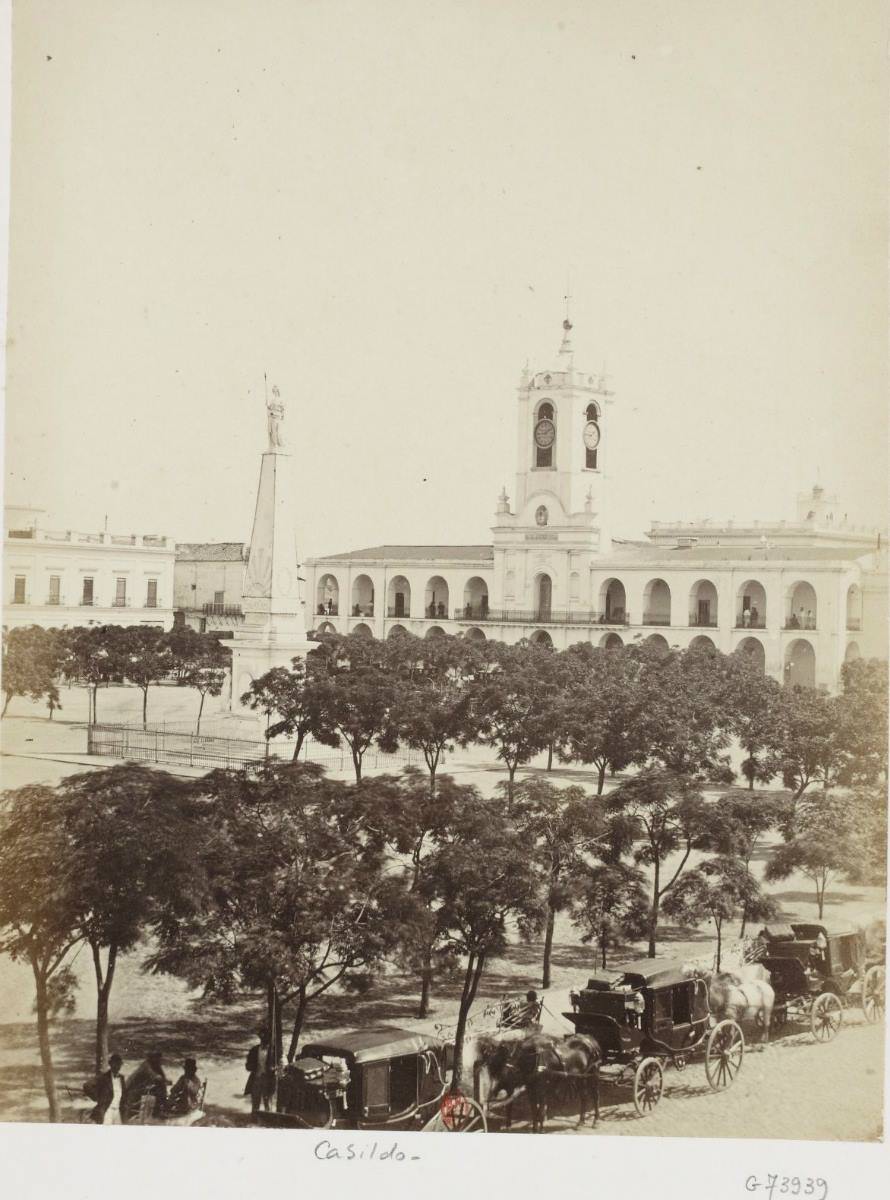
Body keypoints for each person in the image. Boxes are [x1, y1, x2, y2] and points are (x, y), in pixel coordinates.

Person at [124, 1051, 169, 1121]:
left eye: (159, 1057)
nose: (159, 1059)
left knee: (159, 1086)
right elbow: (155, 1077)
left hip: (141, 1088)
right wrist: (164, 1080)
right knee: (157, 1088)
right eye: (156, 1057)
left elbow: (162, 1076)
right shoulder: (146, 1065)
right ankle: (158, 1110)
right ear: (151, 1058)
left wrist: (164, 1080)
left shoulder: (156, 1065)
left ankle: (160, 1108)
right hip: (133, 1091)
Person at [88, 1053, 126, 1125]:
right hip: (107, 1111)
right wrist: (97, 1098)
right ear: (110, 1064)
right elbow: (87, 1085)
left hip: (118, 1111)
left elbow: (124, 1095)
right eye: (115, 1064)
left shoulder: (121, 1078)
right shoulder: (103, 1077)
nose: (117, 1067)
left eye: (119, 1064)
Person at [245, 1027, 272, 1115]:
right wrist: (252, 1066)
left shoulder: (273, 1051)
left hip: (268, 1080)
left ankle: (268, 1120)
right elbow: (248, 1066)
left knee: (267, 1101)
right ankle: (254, 1119)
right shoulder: (254, 1050)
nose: (264, 1040)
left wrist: (274, 1068)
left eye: (266, 1038)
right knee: (255, 1101)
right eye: (262, 1038)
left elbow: (280, 1064)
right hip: (256, 1078)